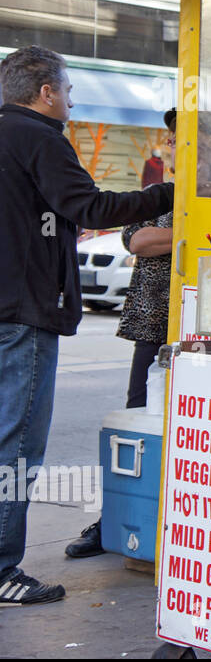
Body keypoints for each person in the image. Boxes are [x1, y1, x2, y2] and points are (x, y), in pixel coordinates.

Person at [0, 46, 172, 605]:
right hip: (22, 312)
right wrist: (173, 192)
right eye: (69, 90)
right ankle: (3, 569)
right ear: (46, 92)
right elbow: (92, 210)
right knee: (17, 443)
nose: (72, 100)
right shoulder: (39, 138)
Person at [66, 109, 176, 559]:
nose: (168, 146)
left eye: (176, 138)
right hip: (152, 319)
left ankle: (170, 521)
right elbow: (136, 241)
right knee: (138, 419)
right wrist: (189, 232)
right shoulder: (158, 193)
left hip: (199, 326)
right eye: (170, 138)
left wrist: (171, 235)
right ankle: (115, 517)